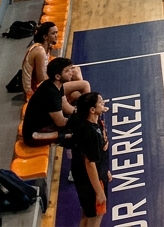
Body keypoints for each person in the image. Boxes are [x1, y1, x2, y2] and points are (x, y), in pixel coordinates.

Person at [67, 92, 110, 226]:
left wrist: (105, 170)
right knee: (96, 216)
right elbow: (90, 164)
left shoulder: (80, 119)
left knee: (87, 213)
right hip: (91, 180)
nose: (103, 104)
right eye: (100, 102)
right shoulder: (92, 134)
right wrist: (99, 191)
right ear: (92, 110)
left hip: (83, 175)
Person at [22, 22, 90, 101]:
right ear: (45, 37)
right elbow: (42, 82)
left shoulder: (45, 47)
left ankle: (85, 102)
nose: (56, 36)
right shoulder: (39, 52)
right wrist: (61, 79)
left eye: (57, 32)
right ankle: (88, 106)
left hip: (44, 85)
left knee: (75, 70)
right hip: (35, 92)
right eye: (53, 33)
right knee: (82, 87)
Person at [23, 57, 77, 146]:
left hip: (46, 124)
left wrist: (80, 112)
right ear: (58, 76)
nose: (72, 72)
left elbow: (65, 106)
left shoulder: (56, 85)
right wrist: (82, 121)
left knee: (77, 120)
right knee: (76, 134)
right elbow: (61, 122)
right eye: (67, 71)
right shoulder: (51, 94)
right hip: (34, 135)